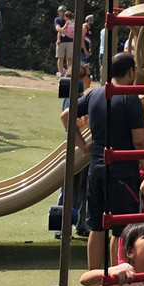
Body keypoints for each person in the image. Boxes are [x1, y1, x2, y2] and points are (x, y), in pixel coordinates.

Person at [77, 52, 144, 286]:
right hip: (122, 172)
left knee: (97, 227)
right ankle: (114, 283)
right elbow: (140, 140)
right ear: (130, 72)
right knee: (121, 230)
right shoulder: (130, 99)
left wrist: (83, 146)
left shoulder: (95, 94)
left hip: (96, 168)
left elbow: (66, 117)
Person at [56, 60, 94, 239]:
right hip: (76, 147)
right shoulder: (74, 98)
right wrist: (85, 121)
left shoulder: (79, 96)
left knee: (82, 187)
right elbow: (70, 121)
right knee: (69, 187)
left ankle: (81, 223)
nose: (90, 79)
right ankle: (60, 227)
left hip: (82, 148)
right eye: (88, 75)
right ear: (79, 78)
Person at [55, 5, 70, 77]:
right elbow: (58, 28)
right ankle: (61, 72)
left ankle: (69, 73)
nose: (60, 13)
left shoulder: (69, 20)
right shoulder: (57, 19)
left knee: (69, 58)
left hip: (70, 41)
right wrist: (66, 33)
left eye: (62, 12)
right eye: (59, 12)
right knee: (60, 57)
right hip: (61, 41)